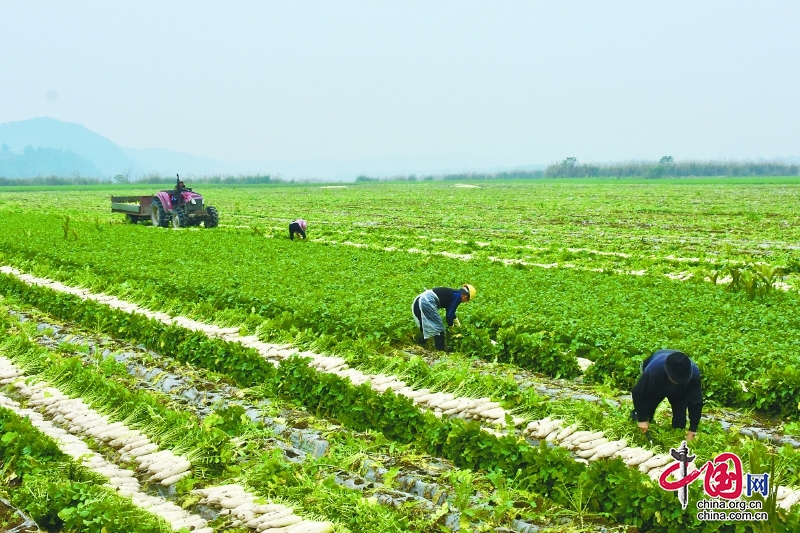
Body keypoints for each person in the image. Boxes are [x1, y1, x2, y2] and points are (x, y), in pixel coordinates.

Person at [631, 349, 703, 441]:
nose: (676, 383)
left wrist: (692, 430)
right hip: (656, 387)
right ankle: (638, 422)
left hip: (680, 393)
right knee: (646, 412)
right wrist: (642, 419)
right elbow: (638, 391)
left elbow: (696, 402)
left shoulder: (694, 374)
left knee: (680, 420)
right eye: (675, 381)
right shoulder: (654, 369)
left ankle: (675, 438)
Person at [412, 284, 476, 352]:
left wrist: (456, 322)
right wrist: (451, 327)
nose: (464, 302)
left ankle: (420, 345)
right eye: (466, 300)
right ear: (466, 296)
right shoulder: (458, 296)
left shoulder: (454, 293)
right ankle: (440, 351)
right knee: (439, 328)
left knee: (424, 326)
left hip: (419, 300)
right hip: (427, 301)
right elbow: (449, 315)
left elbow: (450, 311)